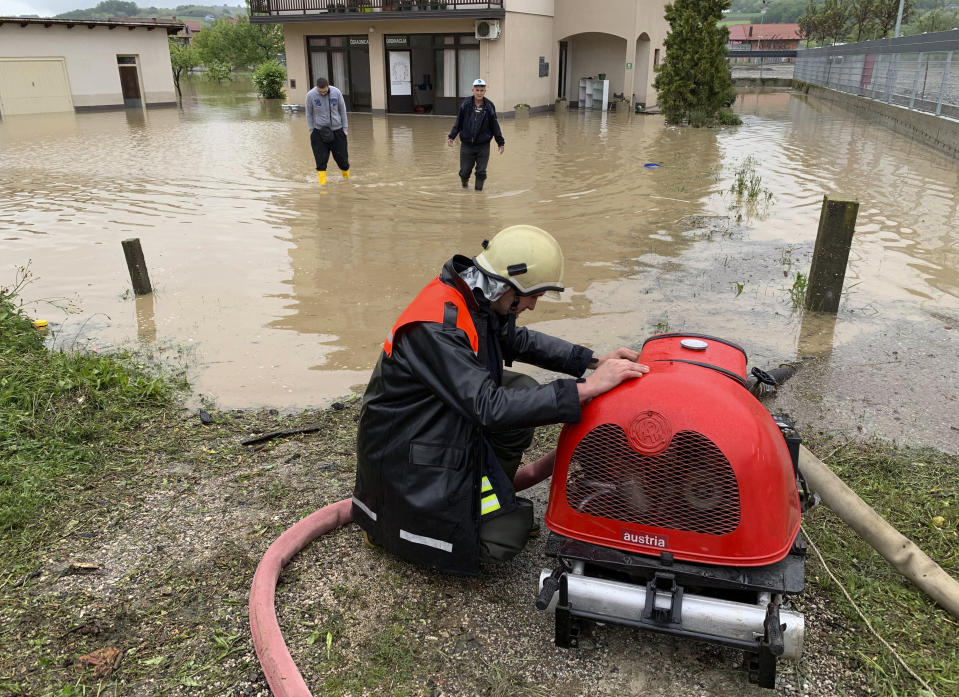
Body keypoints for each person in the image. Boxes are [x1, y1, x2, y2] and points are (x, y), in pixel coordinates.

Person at [352, 225, 649, 575]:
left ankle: (493, 496)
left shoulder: (477, 298)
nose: (534, 305)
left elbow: (518, 341)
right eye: (532, 295)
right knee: (507, 536)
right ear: (509, 286)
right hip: (409, 452)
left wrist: (591, 362)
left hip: (434, 418)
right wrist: (584, 390)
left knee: (521, 389)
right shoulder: (438, 328)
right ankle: (404, 526)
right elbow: (488, 407)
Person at [447, 78, 505, 192]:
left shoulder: (489, 106)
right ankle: (464, 187)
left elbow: (495, 125)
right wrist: (451, 136)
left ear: (485, 91)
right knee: (464, 172)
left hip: (483, 146)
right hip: (467, 145)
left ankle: (479, 195)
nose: (479, 93)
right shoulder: (466, 104)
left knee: (481, 172)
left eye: (481, 90)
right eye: (477, 90)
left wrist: (500, 142)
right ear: (473, 90)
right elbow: (459, 121)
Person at [305, 77, 349, 185]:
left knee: (342, 159)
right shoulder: (310, 95)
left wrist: (345, 128)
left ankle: (347, 181)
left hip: (337, 131)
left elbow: (342, 110)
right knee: (321, 160)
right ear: (317, 88)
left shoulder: (336, 92)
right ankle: (322, 186)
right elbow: (309, 114)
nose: (323, 94)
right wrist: (311, 130)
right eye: (320, 92)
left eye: (325, 91)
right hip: (319, 132)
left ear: (328, 86)